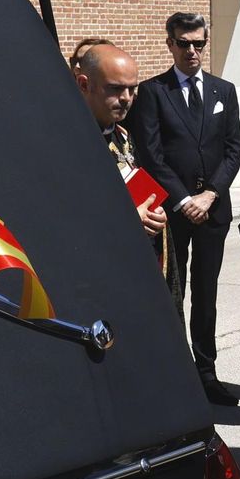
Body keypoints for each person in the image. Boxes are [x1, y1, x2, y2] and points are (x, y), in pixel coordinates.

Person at [127, 11, 240, 406]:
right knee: (172, 293)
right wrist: (182, 200)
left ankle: (207, 372)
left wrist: (211, 194)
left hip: (213, 211)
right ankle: (175, 374)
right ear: (170, 44)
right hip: (172, 212)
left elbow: (233, 149)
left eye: (199, 44)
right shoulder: (152, 92)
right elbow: (151, 153)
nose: (192, 51)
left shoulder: (223, 91)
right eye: (184, 43)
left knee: (206, 293)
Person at [74, 43, 180, 306]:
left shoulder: (122, 135)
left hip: (136, 271)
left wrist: (156, 215)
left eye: (132, 89)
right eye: (115, 88)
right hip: (94, 284)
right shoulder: (66, 142)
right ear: (84, 84)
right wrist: (126, 221)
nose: (126, 98)